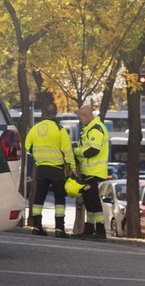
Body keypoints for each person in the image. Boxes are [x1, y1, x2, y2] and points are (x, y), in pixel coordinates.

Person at [24, 102, 75, 237]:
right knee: (59, 199)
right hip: (57, 169)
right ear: (55, 113)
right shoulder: (60, 129)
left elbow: (27, 145)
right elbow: (67, 151)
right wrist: (72, 167)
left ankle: (37, 226)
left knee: (39, 198)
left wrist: (37, 154)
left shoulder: (35, 128)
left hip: (41, 168)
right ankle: (59, 229)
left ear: (44, 112)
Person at [72, 104, 109, 240]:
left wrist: (75, 151)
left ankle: (100, 231)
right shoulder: (90, 129)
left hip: (94, 171)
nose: (80, 120)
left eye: (80, 117)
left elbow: (93, 151)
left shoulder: (96, 129)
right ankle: (89, 229)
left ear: (86, 115)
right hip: (89, 170)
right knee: (88, 201)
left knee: (93, 201)